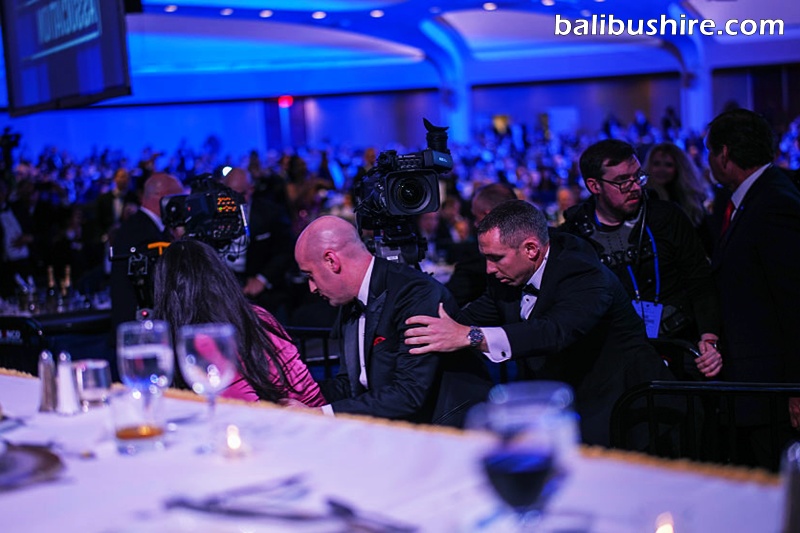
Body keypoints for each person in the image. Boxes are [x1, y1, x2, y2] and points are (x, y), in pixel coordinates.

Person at [404, 200, 673, 446]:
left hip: (625, 405)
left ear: (531, 249)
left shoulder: (583, 272)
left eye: (495, 258)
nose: (488, 268)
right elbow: (467, 319)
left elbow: (553, 332)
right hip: (560, 399)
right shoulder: (508, 273)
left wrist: (472, 336)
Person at [291, 215, 491, 426]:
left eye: (310, 275)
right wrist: (294, 393)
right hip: (400, 428)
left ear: (332, 261)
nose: (311, 288)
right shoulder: (350, 301)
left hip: (449, 432)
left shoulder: (415, 294)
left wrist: (321, 414)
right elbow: (350, 385)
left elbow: (409, 394)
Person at [562, 139, 722, 379]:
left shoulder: (667, 217)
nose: (635, 186)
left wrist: (709, 338)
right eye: (622, 181)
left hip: (678, 347)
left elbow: (700, 281)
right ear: (594, 186)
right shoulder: (574, 236)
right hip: (612, 360)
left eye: (638, 177)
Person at [706, 108, 800, 467]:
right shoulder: (754, 198)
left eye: (710, 152)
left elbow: (795, 304)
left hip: (775, 394)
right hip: (759, 390)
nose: (709, 162)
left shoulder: (774, 203)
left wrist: (795, 389)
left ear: (725, 154)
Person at [152, 239, 324, 405]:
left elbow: (244, 415)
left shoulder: (204, 341)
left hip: (283, 426)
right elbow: (307, 392)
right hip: (315, 421)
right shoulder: (257, 316)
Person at [110, 172, 184, 328]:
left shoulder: (146, 227)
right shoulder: (140, 232)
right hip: (138, 331)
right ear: (164, 198)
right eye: (179, 199)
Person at [222, 167, 296, 321]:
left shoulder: (271, 213)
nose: (235, 201)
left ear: (251, 190)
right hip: (225, 285)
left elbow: (285, 251)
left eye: (241, 194)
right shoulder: (214, 215)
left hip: (264, 286)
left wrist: (262, 279)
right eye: (230, 195)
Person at [445, 183, 517, 306]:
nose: (475, 224)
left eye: (476, 217)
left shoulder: (475, 263)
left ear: (488, 216)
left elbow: (450, 299)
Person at [643, 142, 714, 252]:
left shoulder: (691, 199)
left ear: (679, 168)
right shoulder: (643, 199)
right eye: (656, 163)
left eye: (668, 165)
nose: (661, 169)